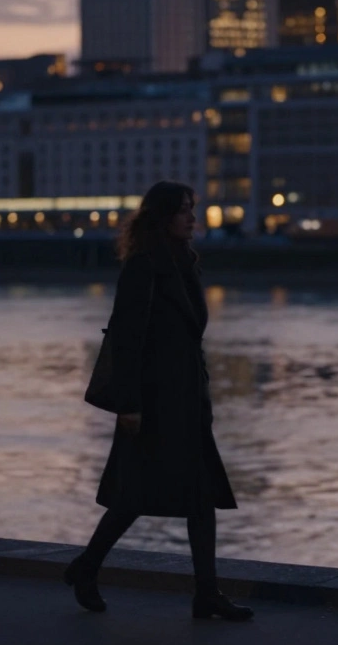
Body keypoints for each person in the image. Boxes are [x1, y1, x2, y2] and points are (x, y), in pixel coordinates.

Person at [63, 181, 253, 621]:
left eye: (193, 209)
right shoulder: (144, 265)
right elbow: (127, 339)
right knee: (134, 495)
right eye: (185, 210)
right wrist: (129, 404)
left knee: (199, 495)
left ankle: (205, 594)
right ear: (162, 216)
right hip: (152, 403)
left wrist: (202, 396)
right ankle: (87, 567)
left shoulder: (183, 261)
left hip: (185, 401)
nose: (193, 218)